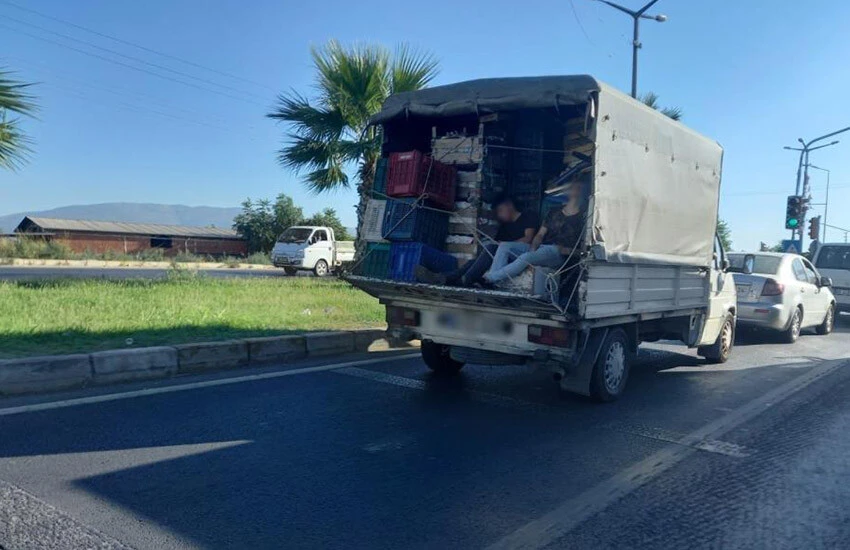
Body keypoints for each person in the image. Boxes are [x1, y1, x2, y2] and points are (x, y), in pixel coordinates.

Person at [415, 195, 538, 286]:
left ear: (508, 205)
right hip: (504, 256)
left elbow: (528, 239)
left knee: (491, 248)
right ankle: (444, 278)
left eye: (500, 211)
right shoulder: (505, 227)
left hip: (522, 253)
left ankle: (463, 280)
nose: (499, 216)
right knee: (475, 260)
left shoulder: (528, 216)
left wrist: (502, 245)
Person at [483, 177, 586, 284]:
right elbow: (540, 235)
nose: (573, 189)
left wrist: (567, 250)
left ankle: (489, 279)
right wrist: (533, 249)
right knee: (504, 246)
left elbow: (585, 249)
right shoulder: (554, 212)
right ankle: (493, 281)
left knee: (526, 257)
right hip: (542, 249)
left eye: (577, 187)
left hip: (558, 254)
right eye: (571, 187)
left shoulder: (583, 216)